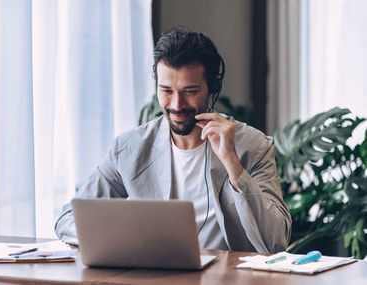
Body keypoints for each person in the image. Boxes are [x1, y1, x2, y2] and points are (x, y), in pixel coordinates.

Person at [55, 27, 291, 253]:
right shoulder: (129, 148)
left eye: (190, 91)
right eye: (166, 91)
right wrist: (123, 241)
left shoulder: (253, 146)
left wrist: (232, 163)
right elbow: (68, 219)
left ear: (212, 88)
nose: (177, 105)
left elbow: (275, 242)